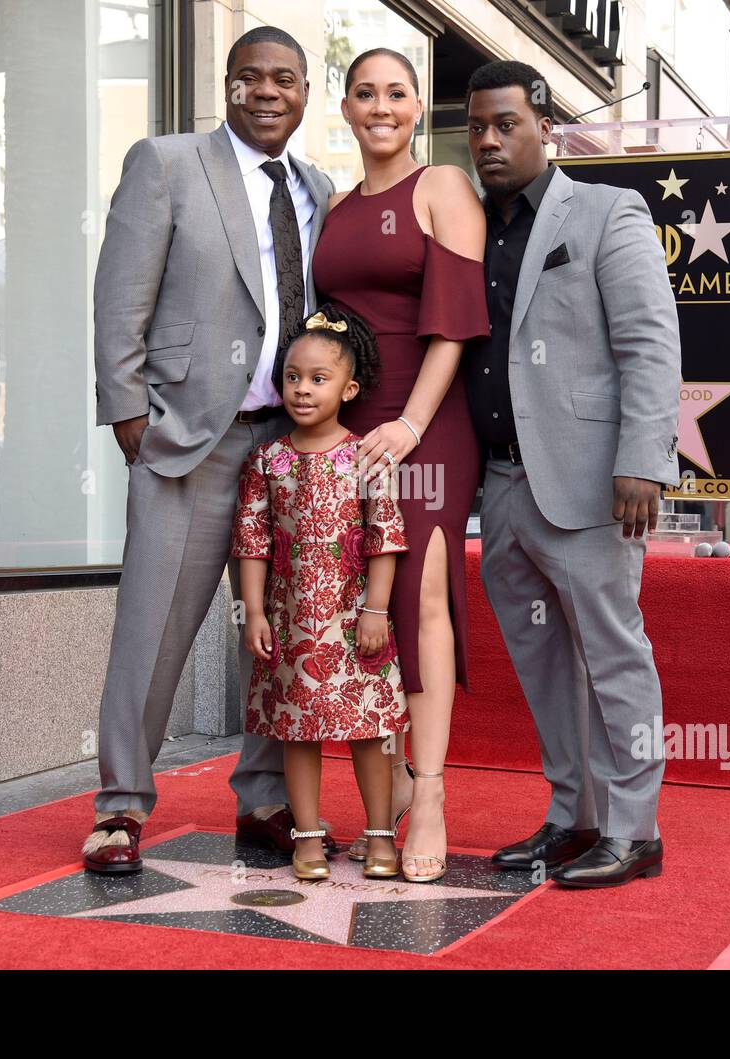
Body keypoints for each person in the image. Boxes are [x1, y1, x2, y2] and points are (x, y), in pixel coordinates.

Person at [84, 27, 337, 874]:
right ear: (227, 86)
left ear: (306, 93)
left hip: (287, 446)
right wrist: (129, 415)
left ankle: (264, 798)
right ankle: (120, 806)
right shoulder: (166, 162)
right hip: (190, 439)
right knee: (152, 625)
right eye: (251, 78)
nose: (268, 93)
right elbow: (121, 294)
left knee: (276, 631)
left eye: (287, 80)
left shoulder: (318, 188)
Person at [464, 61, 680, 888]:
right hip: (505, 485)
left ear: (545, 126)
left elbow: (650, 345)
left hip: (593, 483)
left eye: (506, 124)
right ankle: (573, 815)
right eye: (478, 126)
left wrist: (641, 461)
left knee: (615, 654)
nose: (489, 139)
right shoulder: (467, 227)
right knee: (545, 664)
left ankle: (637, 829)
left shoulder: (606, 211)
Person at [312, 48, 488, 881]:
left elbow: (455, 322)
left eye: (397, 92)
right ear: (344, 107)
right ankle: (376, 810)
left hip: (429, 420)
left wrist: (413, 423)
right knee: (357, 600)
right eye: (364, 93)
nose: (380, 106)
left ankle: (432, 793)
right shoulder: (337, 207)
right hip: (350, 431)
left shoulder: (441, 188)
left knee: (420, 592)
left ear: (418, 108)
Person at [232, 306, 409, 881]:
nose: (302, 390)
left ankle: (381, 834)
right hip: (290, 626)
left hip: (356, 620)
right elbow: (252, 541)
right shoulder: (268, 459)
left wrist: (376, 610)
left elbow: (385, 536)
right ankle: (307, 836)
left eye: (318, 378)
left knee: (367, 731)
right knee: (298, 731)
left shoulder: (365, 459)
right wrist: (254, 611)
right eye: (291, 377)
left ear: (349, 388)